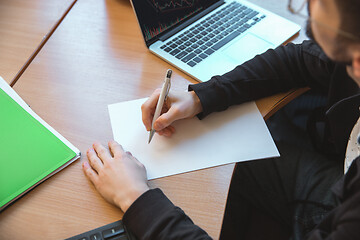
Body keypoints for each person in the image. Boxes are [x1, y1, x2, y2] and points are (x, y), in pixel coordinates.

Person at [82, 0, 360, 239]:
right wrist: (201, 97)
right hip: (344, 168)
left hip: (334, 206)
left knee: (214, 183)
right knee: (230, 166)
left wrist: (134, 198)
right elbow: (302, 59)